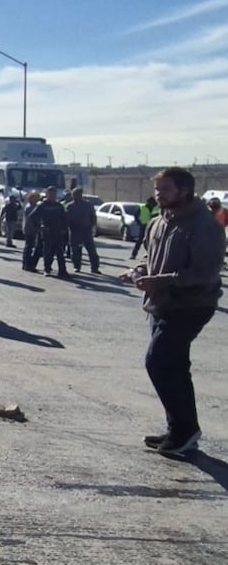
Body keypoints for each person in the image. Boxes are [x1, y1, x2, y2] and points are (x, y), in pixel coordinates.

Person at [121, 168, 225, 456]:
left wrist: (163, 281)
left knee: (158, 361)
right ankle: (181, 429)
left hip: (191, 305)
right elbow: (148, 257)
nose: (159, 194)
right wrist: (138, 271)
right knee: (175, 367)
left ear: (184, 191)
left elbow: (205, 272)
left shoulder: (204, 225)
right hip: (160, 303)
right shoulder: (158, 222)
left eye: (166, 189)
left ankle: (183, 430)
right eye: (158, 189)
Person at [30, 186, 70, 278]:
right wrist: (39, 227)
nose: (53, 195)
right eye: (51, 193)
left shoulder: (59, 206)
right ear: (47, 194)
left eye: (54, 193)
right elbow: (32, 217)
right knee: (47, 252)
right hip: (47, 232)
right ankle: (47, 269)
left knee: (60, 253)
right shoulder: (42, 205)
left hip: (58, 232)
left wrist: (64, 229)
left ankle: (62, 271)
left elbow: (64, 218)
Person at [65, 187, 101, 274]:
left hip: (86, 229)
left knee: (91, 250)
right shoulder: (70, 206)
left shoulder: (88, 205)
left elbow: (93, 216)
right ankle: (76, 266)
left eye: (79, 194)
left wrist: (92, 227)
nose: (77, 196)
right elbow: (66, 219)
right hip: (74, 230)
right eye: (75, 194)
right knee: (75, 250)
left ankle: (95, 268)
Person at [21, 191, 42, 272]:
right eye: (36, 197)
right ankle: (27, 264)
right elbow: (32, 218)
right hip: (30, 228)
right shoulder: (30, 207)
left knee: (29, 246)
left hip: (30, 228)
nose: (37, 198)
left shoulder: (32, 205)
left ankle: (26, 263)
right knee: (29, 247)